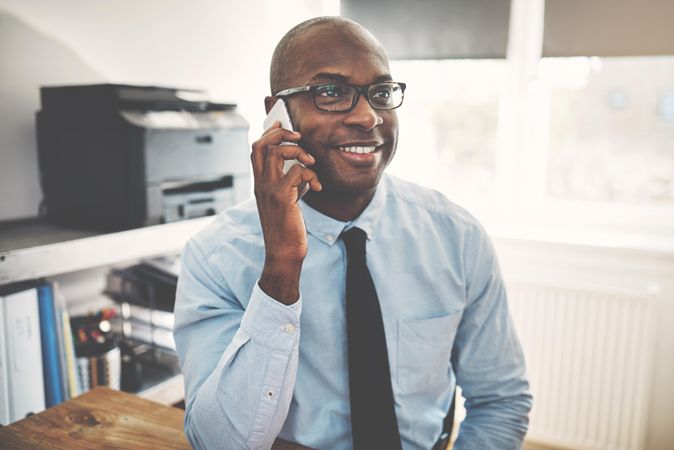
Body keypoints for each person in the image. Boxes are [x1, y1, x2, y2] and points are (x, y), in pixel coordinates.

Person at [174, 16, 532, 450]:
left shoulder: (456, 238)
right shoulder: (215, 257)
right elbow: (218, 441)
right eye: (331, 93)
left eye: (381, 92)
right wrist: (282, 266)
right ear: (278, 113)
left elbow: (500, 400)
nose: (367, 116)